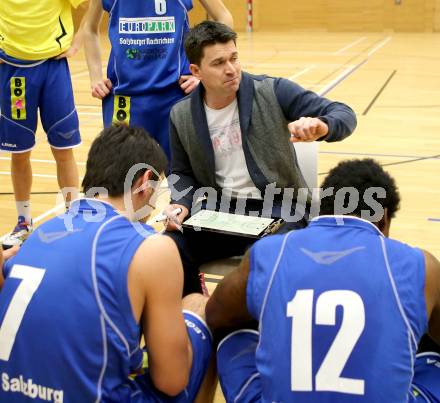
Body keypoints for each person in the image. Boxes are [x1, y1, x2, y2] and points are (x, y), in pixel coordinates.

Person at [0, 125, 214, 402]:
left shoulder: (39, 233)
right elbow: (172, 382)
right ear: (144, 182)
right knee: (200, 307)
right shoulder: (151, 246)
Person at [206, 158, 440, 402]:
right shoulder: (420, 265)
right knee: (423, 317)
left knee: (228, 321)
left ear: (323, 207)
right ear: (383, 219)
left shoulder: (268, 252)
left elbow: (214, 315)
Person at [164, 21, 357, 295]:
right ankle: (195, 312)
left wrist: (323, 126)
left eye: (234, 58)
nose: (231, 69)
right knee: (168, 247)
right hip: (222, 214)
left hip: (282, 211)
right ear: (196, 71)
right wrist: (180, 204)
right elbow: (181, 173)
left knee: (266, 257)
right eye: (218, 63)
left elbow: (344, 113)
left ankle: (251, 325)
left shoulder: (272, 90)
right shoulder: (181, 115)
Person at [83, 0, 233, 159]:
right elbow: (89, 29)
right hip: (126, 99)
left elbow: (223, 16)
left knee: (185, 176)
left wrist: (203, 74)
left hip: (176, 96)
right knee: (127, 177)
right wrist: (95, 77)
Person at [0, 0, 86, 250]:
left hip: (53, 69)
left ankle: (73, 219)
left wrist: (79, 39)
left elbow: (94, 6)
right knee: (19, 153)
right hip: (14, 73)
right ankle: (23, 222)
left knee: (63, 150)